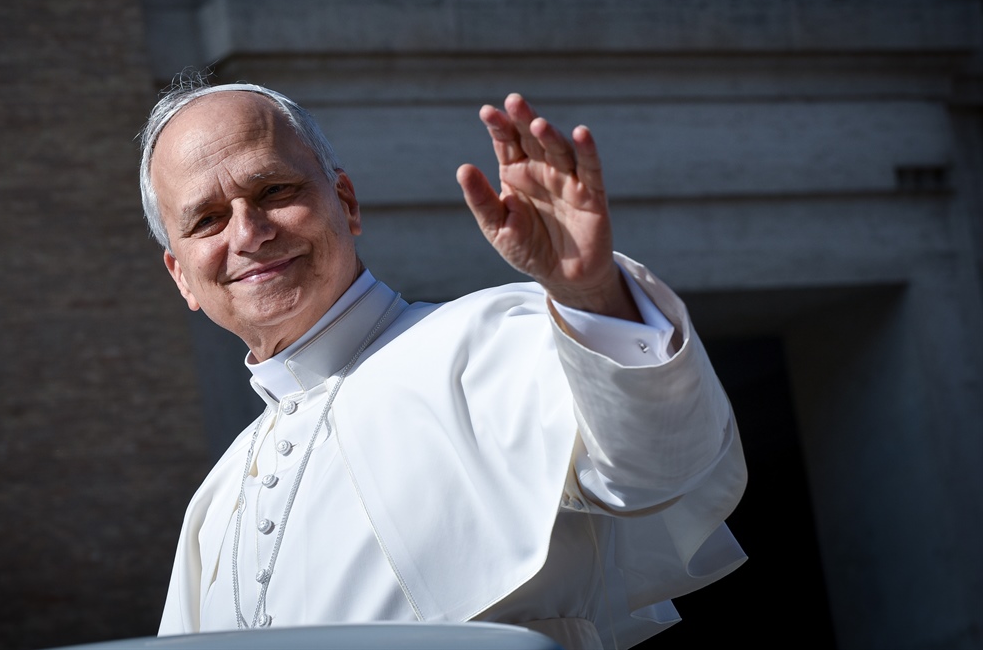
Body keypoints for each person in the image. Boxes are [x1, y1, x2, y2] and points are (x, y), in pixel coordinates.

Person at [141, 80, 746, 650]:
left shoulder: (488, 338)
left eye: (275, 191)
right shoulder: (215, 503)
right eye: (207, 220)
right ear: (181, 277)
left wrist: (590, 297)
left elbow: (659, 463)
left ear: (346, 203)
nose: (249, 233)